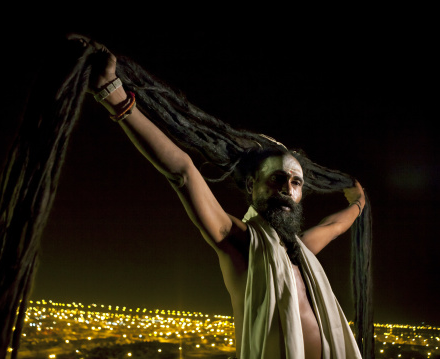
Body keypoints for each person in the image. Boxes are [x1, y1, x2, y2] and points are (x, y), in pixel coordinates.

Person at [73, 35, 366, 359]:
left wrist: (358, 202)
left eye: (296, 182)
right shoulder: (240, 241)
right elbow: (183, 172)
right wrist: (113, 95)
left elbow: (335, 225)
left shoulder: (302, 250)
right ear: (252, 186)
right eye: (277, 179)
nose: (287, 188)